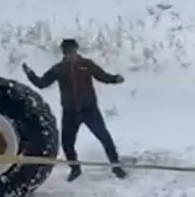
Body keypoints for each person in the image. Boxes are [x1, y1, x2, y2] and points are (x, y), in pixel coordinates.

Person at [22, 38, 127, 181]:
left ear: (76, 51)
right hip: (70, 113)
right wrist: (30, 74)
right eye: (67, 53)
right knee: (67, 143)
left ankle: (116, 167)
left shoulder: (87, 64)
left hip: (89, 110)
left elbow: (103, 76)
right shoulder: (59, 69)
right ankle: (75, 169)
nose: (70, 55)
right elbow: (42, 83)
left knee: (105, 138)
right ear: (63, 53)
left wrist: (115, 79)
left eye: (72, 52)